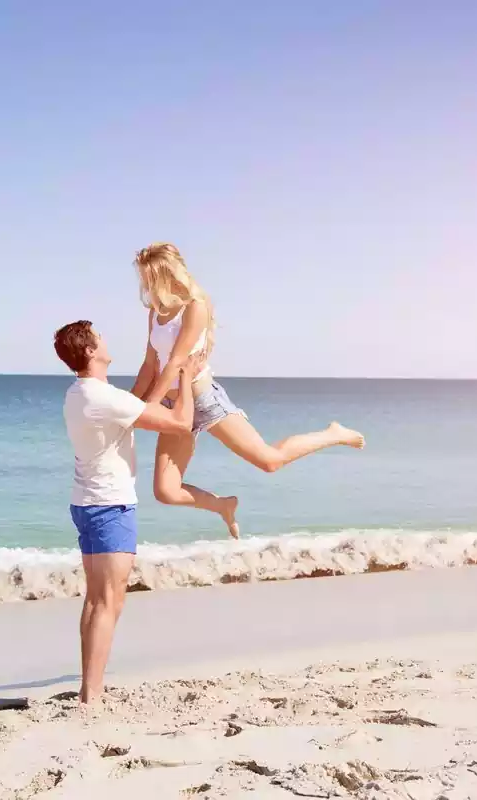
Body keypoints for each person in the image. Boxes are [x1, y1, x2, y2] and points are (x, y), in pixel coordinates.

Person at [129, 243, 365, 539]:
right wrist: (129, 407)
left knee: (269, 461)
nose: (145, 284)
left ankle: (333, 433)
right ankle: (223, 506)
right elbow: (150, 365)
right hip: (176, 408)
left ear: (167, 273)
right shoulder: (155, 312)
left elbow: (176, 361)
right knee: (166, 491)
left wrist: (149, 406)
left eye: (149, 276)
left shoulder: (195, 307)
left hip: (203, 400)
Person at [54, 319, 204, 704]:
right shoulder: (103, 399)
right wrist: (185, 375)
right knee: (108, 602)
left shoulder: (82, 393)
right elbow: (180, 422)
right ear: (90, 350)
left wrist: (155, 350)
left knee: (97, 599)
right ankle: (92, 694)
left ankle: (90, 688)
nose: (105, 340)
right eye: (99, 337)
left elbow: (140, 394)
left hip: (88, 503)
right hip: (110, 506)